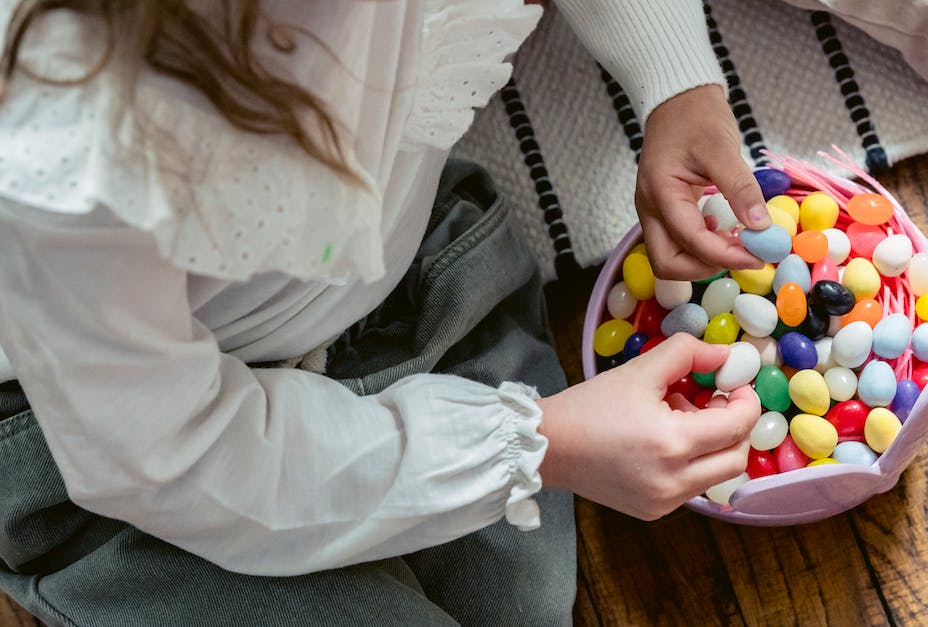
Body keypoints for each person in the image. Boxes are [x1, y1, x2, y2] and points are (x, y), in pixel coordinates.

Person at [0, 0, 771, 624]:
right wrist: (537, 442)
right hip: (120, 449)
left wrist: (672, 80)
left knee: (521, 607)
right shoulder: (59, 147)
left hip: (400, 285)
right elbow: (174, 455)